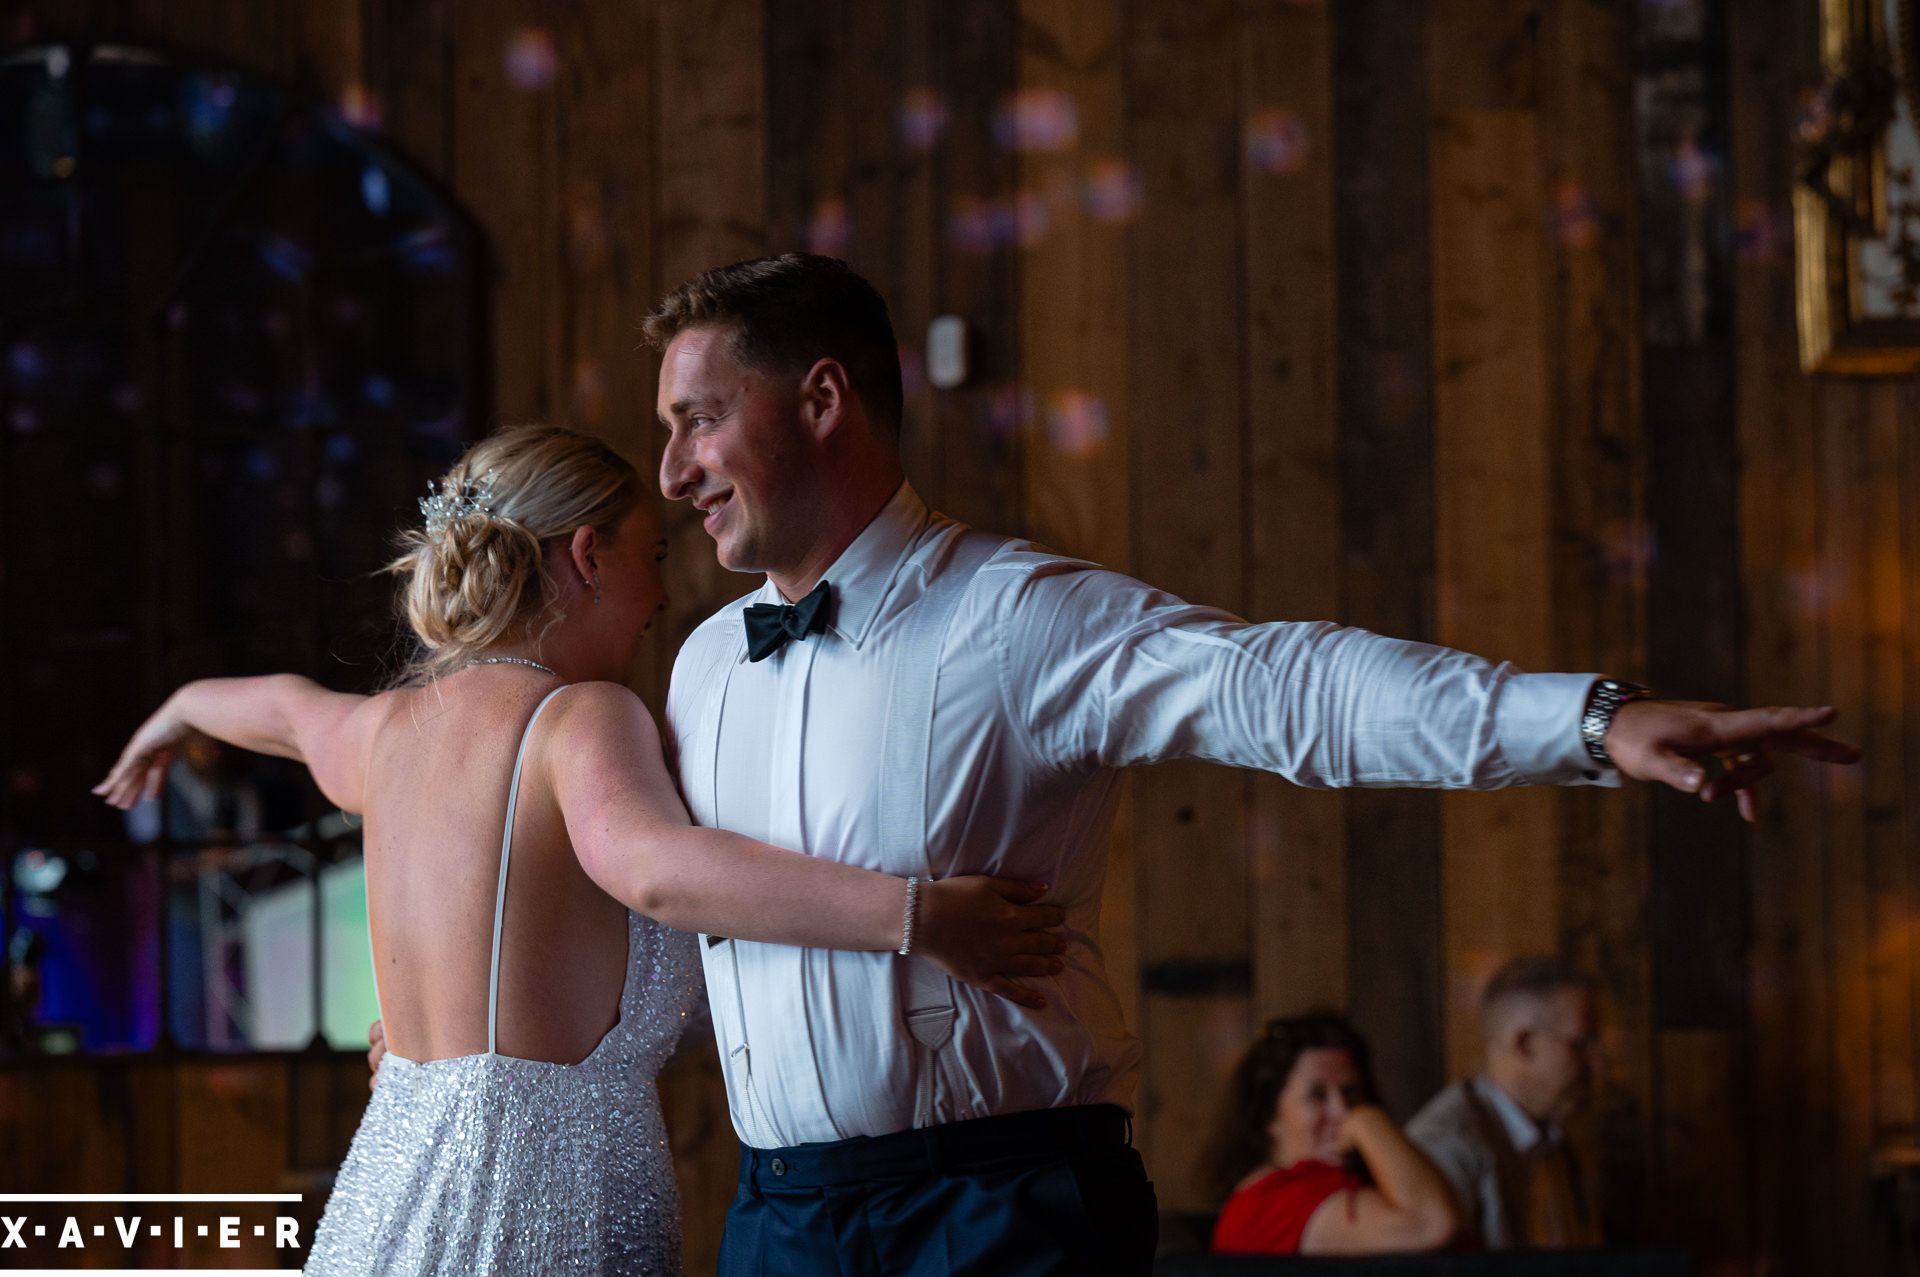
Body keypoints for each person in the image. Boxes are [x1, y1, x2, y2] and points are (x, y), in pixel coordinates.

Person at [640, 252, 1858, 1277]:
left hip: (1000, 1209)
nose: (673, 469)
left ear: (821, 398)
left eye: (698, 418)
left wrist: (1591, 722)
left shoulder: (1012, 617)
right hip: (776, 1217)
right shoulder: (700, 670)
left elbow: (1289, 688)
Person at [94, 425, 1067, 1276]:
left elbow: (277, 708)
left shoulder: (383, 731)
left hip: (385, 1195)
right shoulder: (576, 716)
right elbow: (656, 869)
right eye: (652, 554)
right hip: (531, 1212)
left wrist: (177, 709)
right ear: (589, 556)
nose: (661, 593)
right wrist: (921, 916)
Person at [1204, 1013, 1459, 1254]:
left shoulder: (1341, 1181)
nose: (1342, 1111)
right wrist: (1368, 1122)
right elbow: (1428, 1224)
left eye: (1351, 1092)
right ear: (1267, 1115)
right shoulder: (1265, 1205)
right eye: (1317, 1095)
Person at [1407, 956, 1607, 1248]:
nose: (1598, 1065)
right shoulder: (1445, 1148)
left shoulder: (1555, 1143)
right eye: (1581, 1044)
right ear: (1524, 1044)